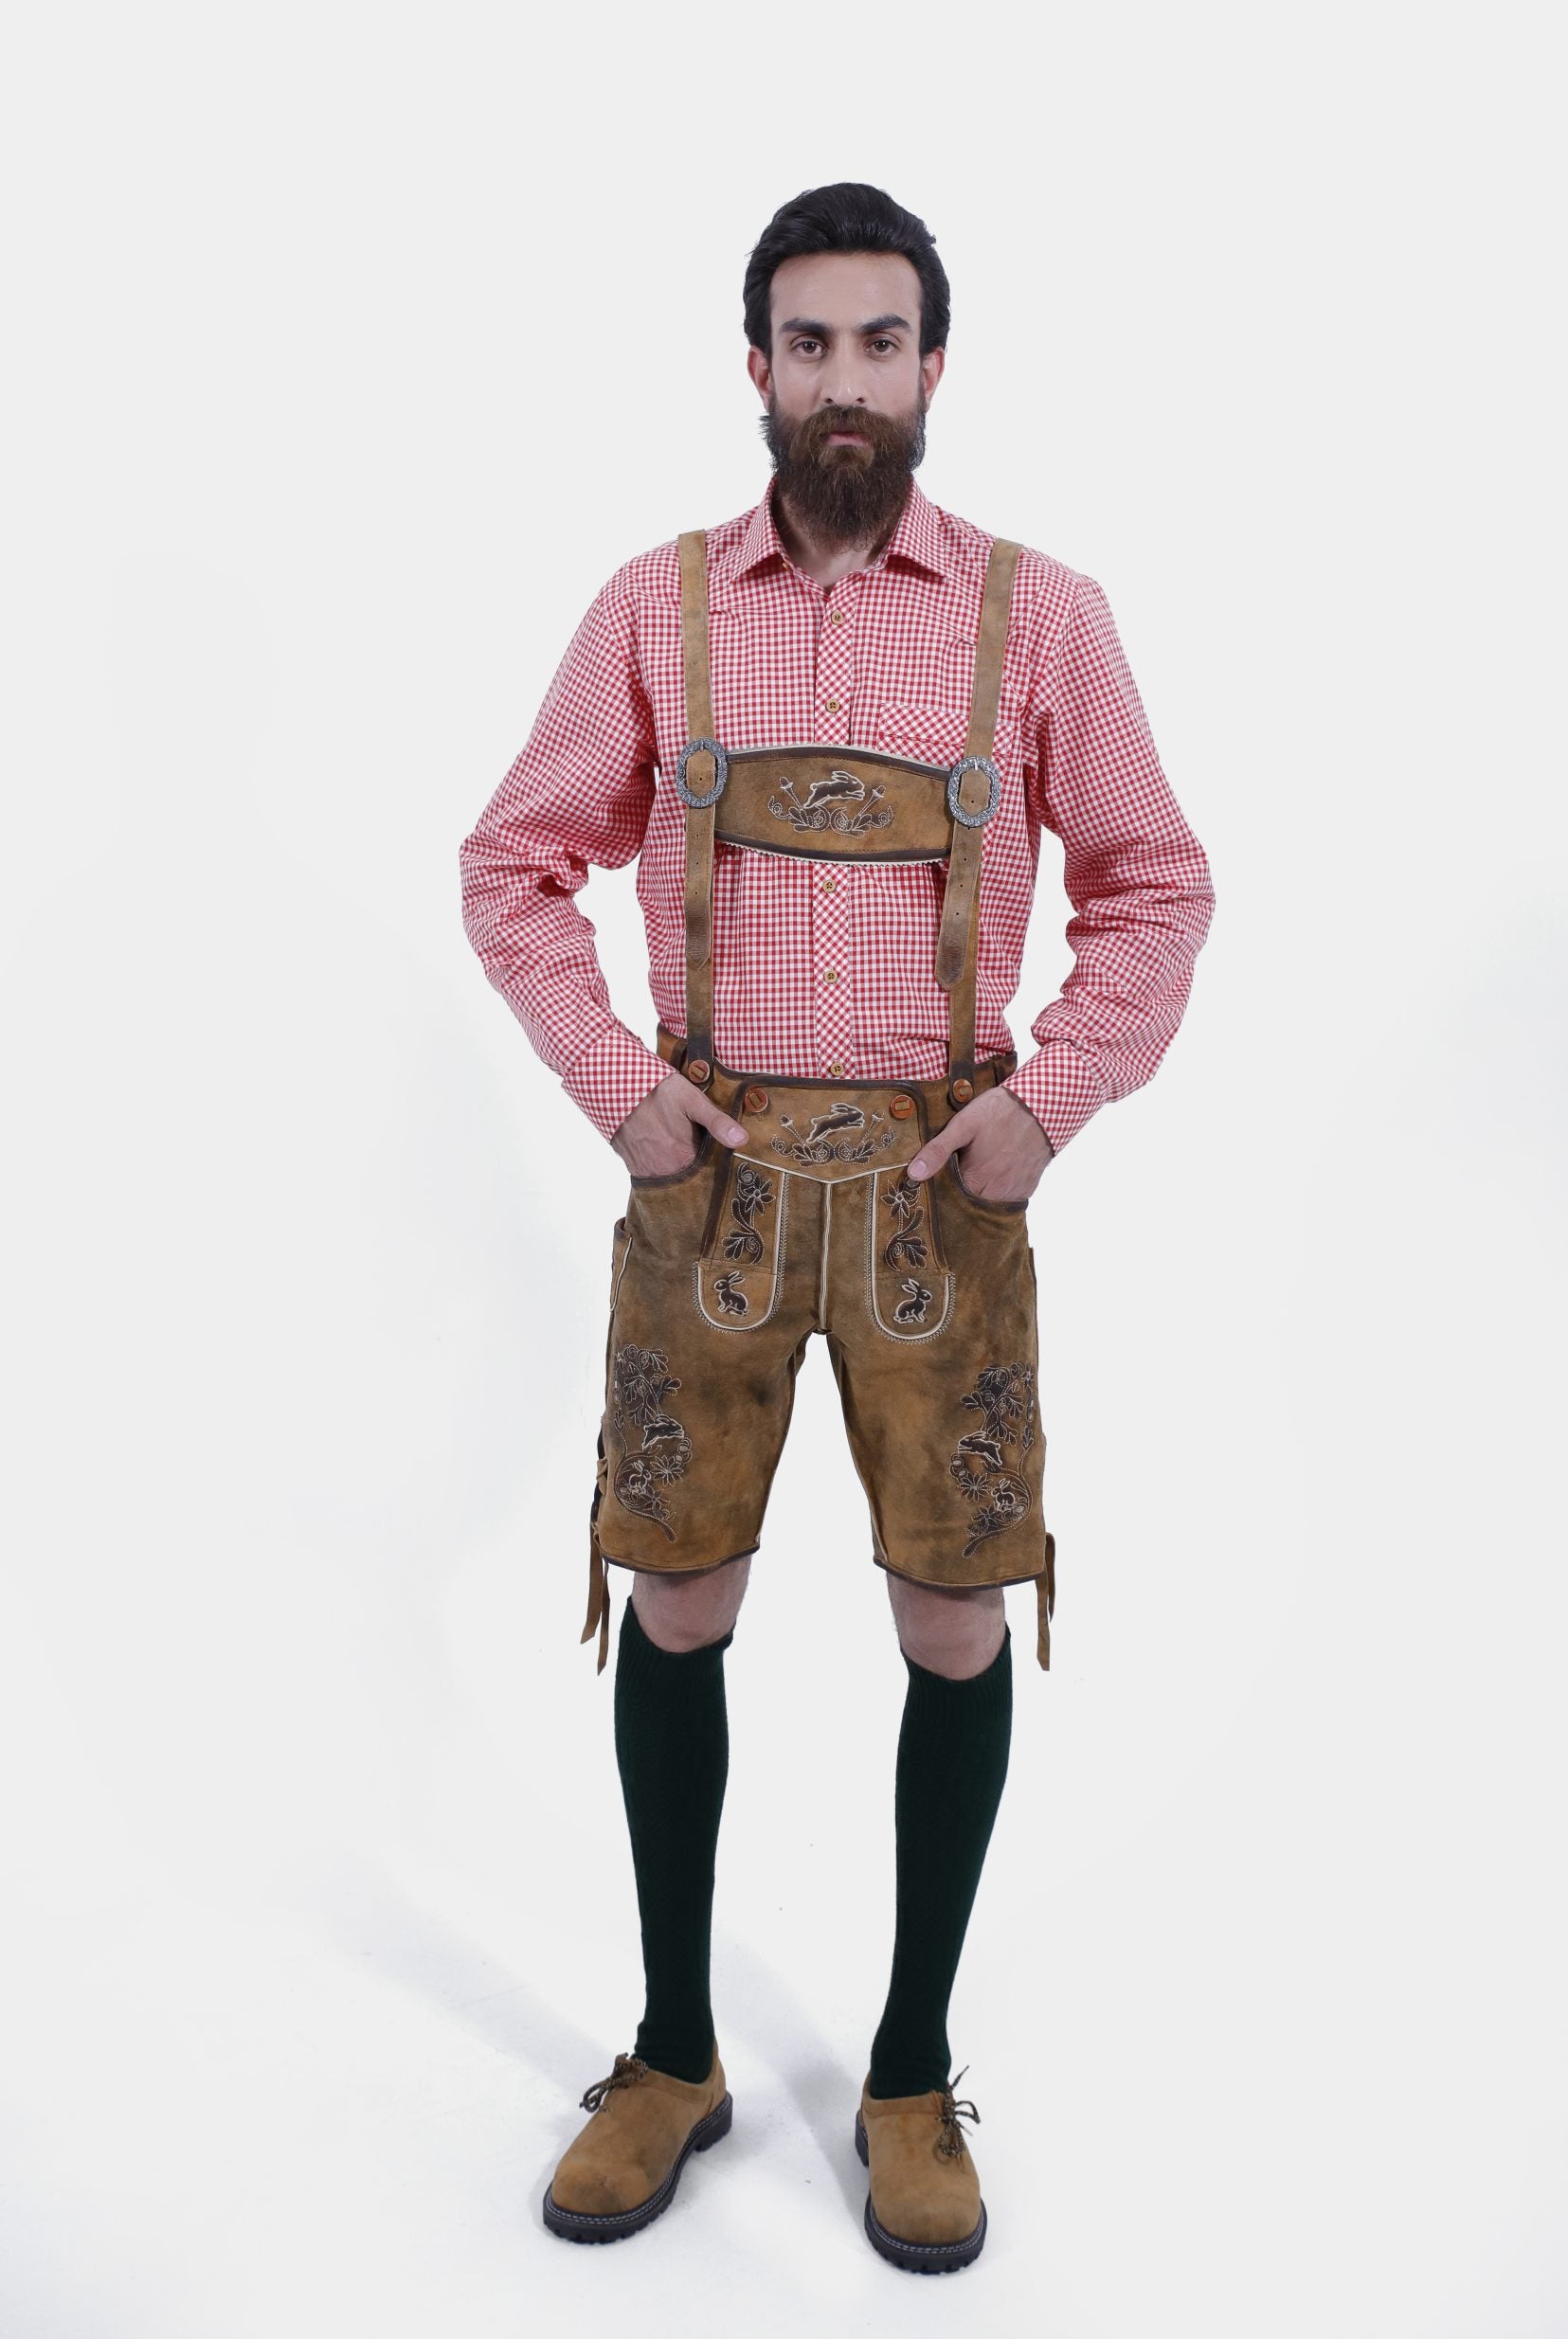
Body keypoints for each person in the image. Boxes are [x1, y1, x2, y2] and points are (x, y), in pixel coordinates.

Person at [459, 180, 1216, 2273]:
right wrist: (621, 1091)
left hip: (934, 1201)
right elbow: (513, 859)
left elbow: (1157, 878)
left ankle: (902, 2069)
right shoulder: (651, 606)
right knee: (677, 1599)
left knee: (948, 1619)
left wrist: (1041, 1107)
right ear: (757, 370)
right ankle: (675, 2047)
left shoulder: (1037, 616)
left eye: (880, 342)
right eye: (808, 344)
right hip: (698, 1192)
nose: (844, 382)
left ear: (932, 364)